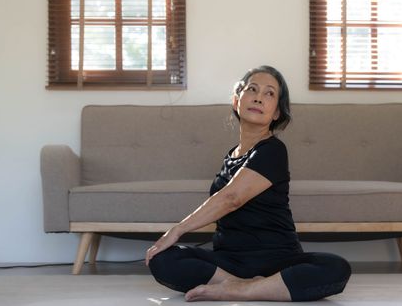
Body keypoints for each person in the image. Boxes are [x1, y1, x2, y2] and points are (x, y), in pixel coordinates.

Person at [145, 65, 351, 302]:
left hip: (279, 260)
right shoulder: (230, 156)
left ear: (276, 113)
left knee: (336, 268)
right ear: (236, 101)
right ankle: (253, 286)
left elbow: (232, 199)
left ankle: (239, 289)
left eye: (269, 93)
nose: (258, 97)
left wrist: (178, 229)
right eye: (252, 89)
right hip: (230, 262)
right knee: (164, 259)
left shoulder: (273, 150)